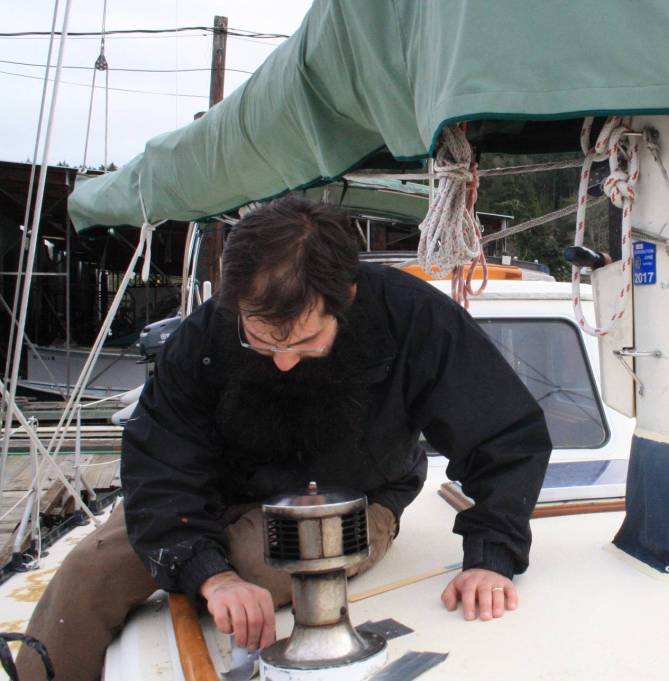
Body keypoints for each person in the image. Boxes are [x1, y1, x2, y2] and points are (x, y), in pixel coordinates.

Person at [17, 196, 552, 681]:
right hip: (217, 492)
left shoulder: (414, 319)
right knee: (88, 573)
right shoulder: (204, 336)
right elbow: (161, 458)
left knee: (259, 563)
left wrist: (490, 554)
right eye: (263, 339)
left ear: (345, 296)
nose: (285, 360)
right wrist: (210, 576)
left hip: (355, 498)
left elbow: (504, 434)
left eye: (306, 340)